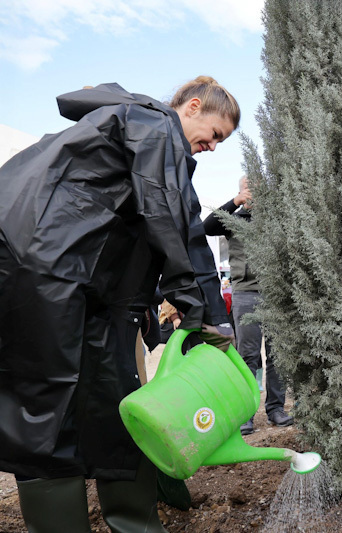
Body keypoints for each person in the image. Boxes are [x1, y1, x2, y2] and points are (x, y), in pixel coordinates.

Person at [0, 77, 239, 532]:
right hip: (46, 273)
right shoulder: (153, 124)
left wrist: (148, 306)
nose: (212, 147)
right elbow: (172, 217)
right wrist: (205, 314)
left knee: (112, 393)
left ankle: (134, 519)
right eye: (215, 134)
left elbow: (133, 229)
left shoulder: (120, 126)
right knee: (48, 406)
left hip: (61, 276)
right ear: (192, 107)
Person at [204, 176, 294, 433]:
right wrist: (235, 202)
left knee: (279, 355)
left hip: (276, 293)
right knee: (248, 356)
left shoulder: (274, 219)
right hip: (246, 293)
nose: (252, 192)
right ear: (241, 190)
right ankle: (245, 413)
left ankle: (276, 409)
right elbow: (206, 227)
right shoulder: (235, 219)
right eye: (247, 187)